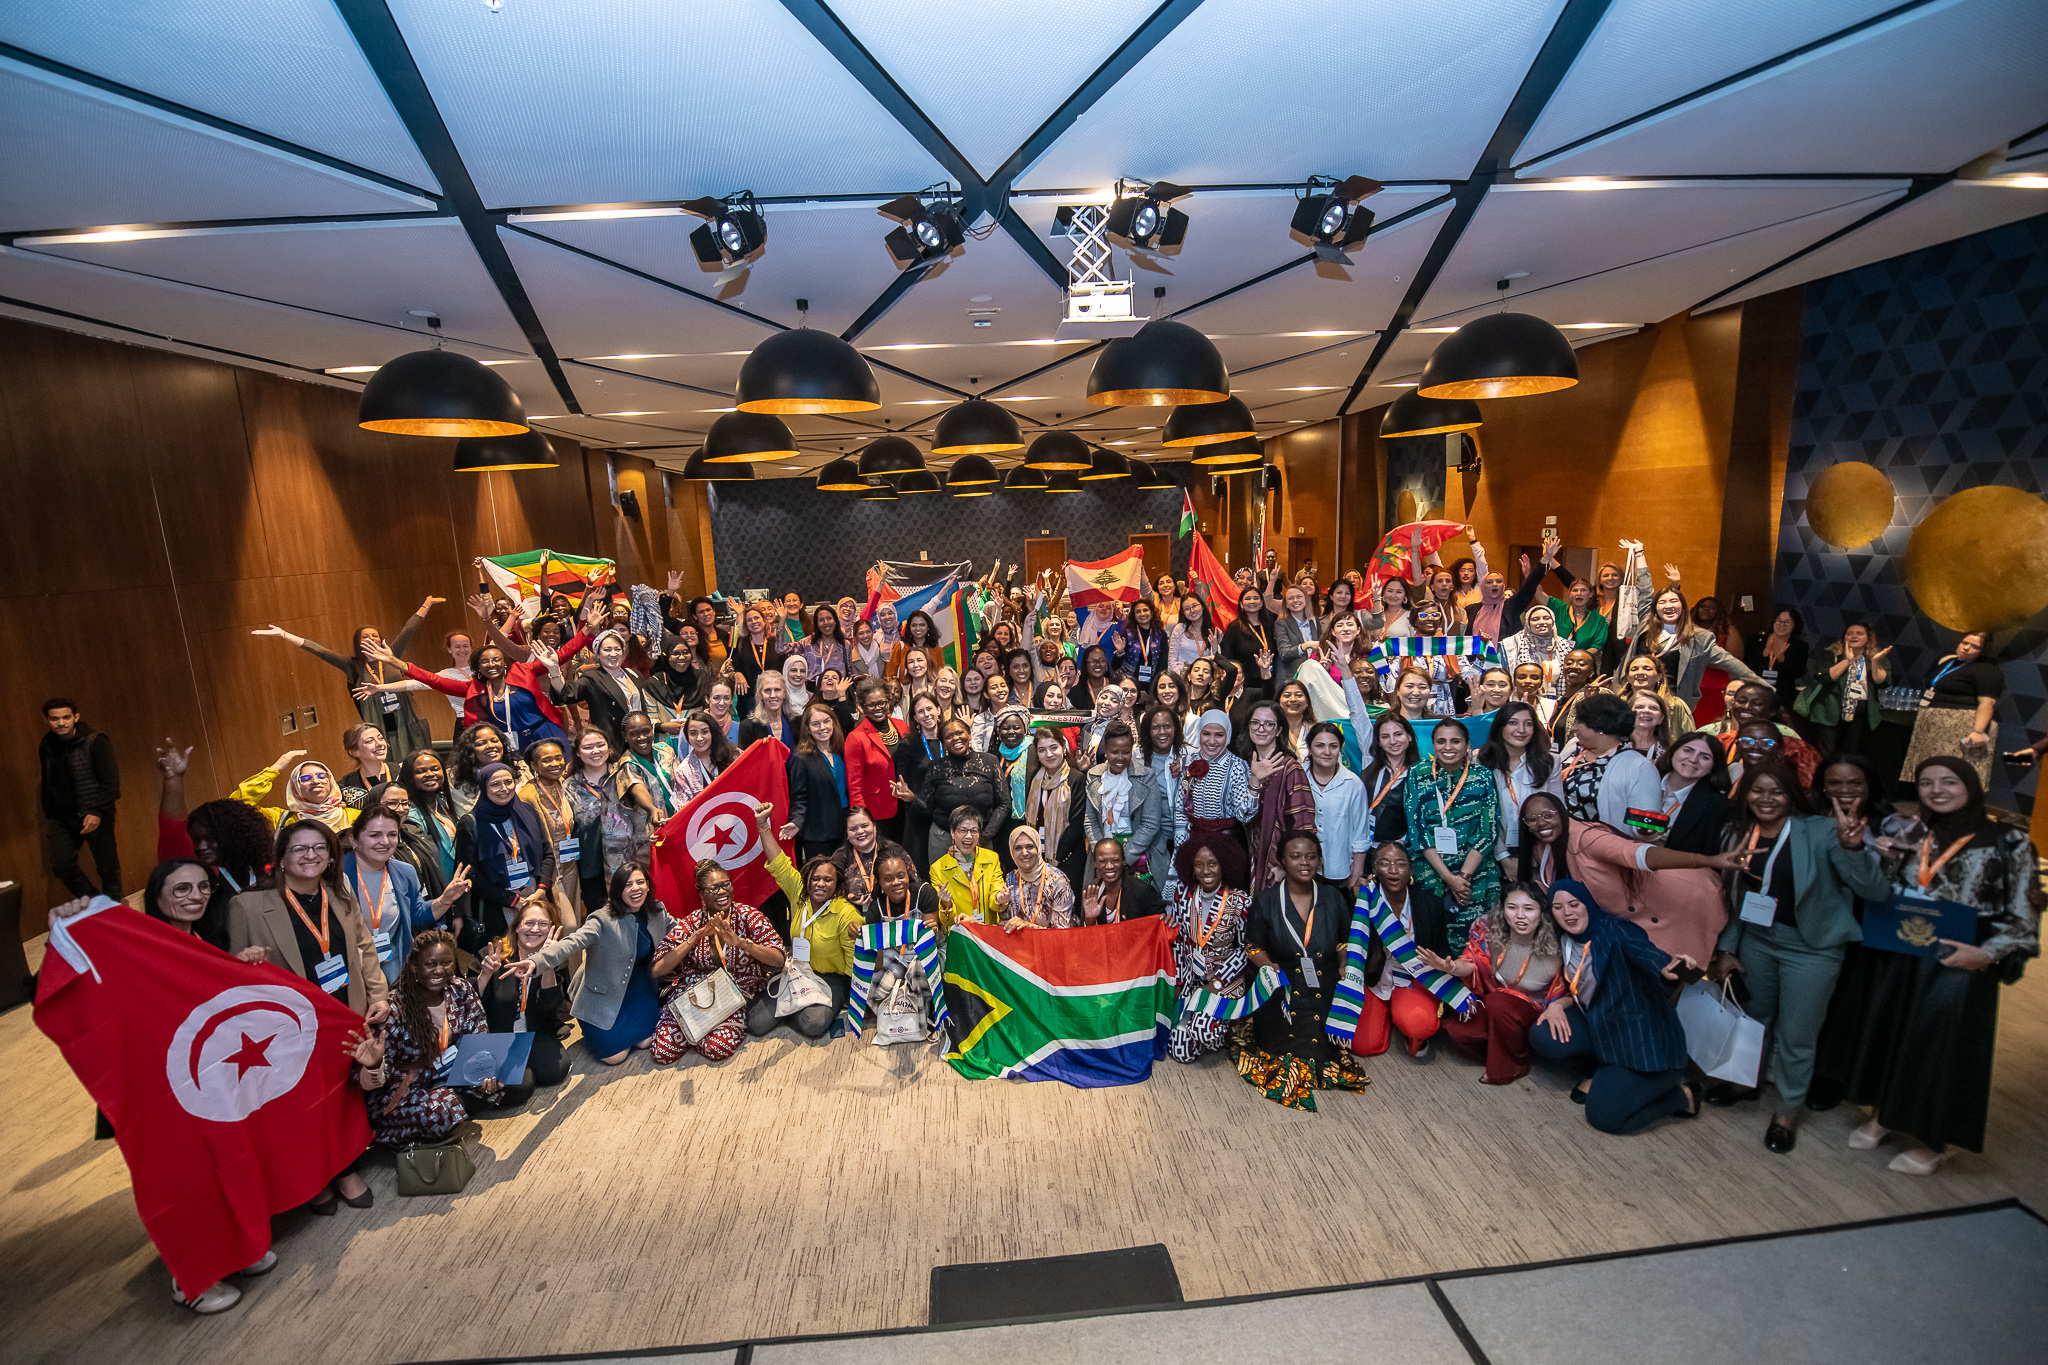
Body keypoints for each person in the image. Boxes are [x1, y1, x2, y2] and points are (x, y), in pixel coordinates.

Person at [1826, 758, 2041, 1173]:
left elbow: (2024, 914)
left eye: (1949, 782)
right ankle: (1886, 1115)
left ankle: (1934, 1139)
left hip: (1963, 953)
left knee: (1941, 1044)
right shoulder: (1909, 831)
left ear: (1971, 787)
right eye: (1926, 782)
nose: (1936, 790)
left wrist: (1989, 953)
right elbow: (1885, 889)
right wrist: (1872, 854)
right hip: (1904, 947)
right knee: (1893, 1030)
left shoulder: (2008, 841)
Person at [1703, 759, 1892, 1153]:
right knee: (1753, 1019)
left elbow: (1874, 892)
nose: (1766, 799)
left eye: (1777, 791)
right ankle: (1744, 1083)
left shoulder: (1822, 831)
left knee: (1797, 1035)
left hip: (1812, 948)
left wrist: (1853, 849)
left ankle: (1787, 1112)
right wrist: (1726, 949)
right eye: (1758, 790)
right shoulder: (1736, 833)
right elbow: (1735, 900)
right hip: (1757, 938)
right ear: (1746, 793)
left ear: (1793, 795)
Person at [226, 819, 386, 1210]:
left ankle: (344, 1167)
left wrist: (380, 994)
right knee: (302, 1102)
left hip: (343, 1013)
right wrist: (244, 962)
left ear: (332, 855)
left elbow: (363, 949)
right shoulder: (247, 905)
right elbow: (233, 974)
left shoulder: (340, 896)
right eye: (299, 849)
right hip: (288, 1027)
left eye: (320, 848)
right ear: (281, 858)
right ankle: (316, 1177)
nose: (311, 856)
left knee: (341, 1096)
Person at [1528, 879, 1703, 1133]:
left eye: (1574, 904)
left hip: (1642, 1041)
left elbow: (1646, 953)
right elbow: (1576, 985)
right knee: (1544, 1034)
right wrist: (1556, 1005)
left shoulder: (1616, 931)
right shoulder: (1566, 938)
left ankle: (1683, 1096)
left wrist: (1666, 970)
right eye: (1558, 907)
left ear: (1587, 903)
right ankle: (1602, 1070)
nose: (1567, 912)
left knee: (1604, 1118)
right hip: (1603, 1024)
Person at [1515, 791, 1741, 967]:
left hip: (1682, 901)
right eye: (1532, 819)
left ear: (1562, 812)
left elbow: (1641, 855)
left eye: (1548, 815)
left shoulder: (1587, 838)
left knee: (1678, 972)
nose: (1541, 823)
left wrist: (1709, 860)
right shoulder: (1541, 849)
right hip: (1635, 921)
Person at [1240, 831, 1372, 1110]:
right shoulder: (1265, 900)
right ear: (1283, 861)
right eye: (1296, 856)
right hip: (1282, 987)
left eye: (1311, 857)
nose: (1304, 862)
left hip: (1324, 985)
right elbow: (1252, 946)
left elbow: (1343, 940)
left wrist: (1344, 961)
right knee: (1279, 1052)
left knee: (1328, 1050)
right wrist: (1268, 965)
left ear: (1319, 861)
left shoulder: (1333, 897)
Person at [363, 929, 521, 1146]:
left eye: (446, 962)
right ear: (414, 966)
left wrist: (486, 1071)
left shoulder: (460, 989)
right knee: (442, 1110)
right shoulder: (394, 1008)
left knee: (512, 1080)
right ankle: (427, 1125)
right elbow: (374, 1073)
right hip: (409, 1089)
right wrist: (375, 1066)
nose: (439, 970)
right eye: (430, 964)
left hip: (455, 1074)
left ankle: (454, 1113)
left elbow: (478, 1035)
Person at [512, 861, 671, 1063]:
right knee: (616, 1057)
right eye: (627, 885)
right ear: (617, 890)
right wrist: (537, 961)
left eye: (640, 882)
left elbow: (680, 930)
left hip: (639, 990)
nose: (635, 889)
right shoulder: (601, 919)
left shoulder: (657, 910)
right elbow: (572, 942)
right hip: (602, 997)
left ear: (648, 885)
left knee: (646, 1042)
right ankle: (590, 1028)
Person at [249, 597, 445, 760]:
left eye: (375, 636)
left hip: (404, 718)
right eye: (366, 637)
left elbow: (408, 630)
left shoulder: (390, 655)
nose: (372, 639)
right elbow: (320, 651)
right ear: (358, 643)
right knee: (387, 760)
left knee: (415, 759)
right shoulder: (352, 666)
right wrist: (284, 634)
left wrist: (426, 604)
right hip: (378, 724)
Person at [1429, 882, 1562, 1084]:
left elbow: (1571, 989)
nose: (1520, 915)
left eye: (1528, 909)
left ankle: (1507, 1068)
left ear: (1542, 913)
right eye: (1512, 907)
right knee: (1458, 1031)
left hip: (1535, 1015)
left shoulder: (1559, 945)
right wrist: (1449, 967)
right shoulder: (1488, 931)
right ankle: (1512, 1050)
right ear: (1502, 911)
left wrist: (1559, 1006)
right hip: (1496, 1008)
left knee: (1498, 1002)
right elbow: (1471, 962)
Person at [1402, 717, 1501, 947]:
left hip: (1475, 878)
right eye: (1441, 741)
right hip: (1431, 876)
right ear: (1433, 745)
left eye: (1455, 741)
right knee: (1434, 946)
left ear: (1467, 745)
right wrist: (1449, 878)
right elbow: (1417, 831)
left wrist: (1463, 878)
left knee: (1476, 949)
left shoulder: (1483, 776)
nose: (1448, 747)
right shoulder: (1417, 774)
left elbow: (1489, 832)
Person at [344, 807, 469, 980]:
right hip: (352, 969)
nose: (385, 841)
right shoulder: (336, 874)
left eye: (392, 835)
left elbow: (417, 915)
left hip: (394, 968)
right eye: (375, 835)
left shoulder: (404, 872)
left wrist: (444, 900)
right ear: (354, 840)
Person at [1351, 841, 1447, 1060]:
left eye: (1400, 864)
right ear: (1374, 870)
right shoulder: (1364, 901)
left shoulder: (1429, 903)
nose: (1393, 870)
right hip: (1377, 978)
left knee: (1418, 1024)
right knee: (1363, 1046)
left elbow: (1442, 949)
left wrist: (1442, 966)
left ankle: (1409, 1027)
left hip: (1413, 979)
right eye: (1384, 864)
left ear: (1411, 870)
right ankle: (1389, 1015)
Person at [1164, 832, 1253, 1062]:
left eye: (1212, 864)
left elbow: (1245, 949)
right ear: (1191, 869)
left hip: (1223, 981)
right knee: (1180, 1052)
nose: (1206, 871)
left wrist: (1216, 983)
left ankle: (1217, 1030)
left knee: (1203, 1029)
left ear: (1223, 865)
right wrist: (1179, 983)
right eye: (1199, 865)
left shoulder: (1240, 901)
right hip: (1191, 979)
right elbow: (1181, 942)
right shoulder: (1182, 895)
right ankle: (1199, 1026)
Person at [758, 851, 861, 1039]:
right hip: (796, 969)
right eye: (815, 878)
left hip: (831, 977)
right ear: (807, 881)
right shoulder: (799, 897)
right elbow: (779, 864)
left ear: (836, 883)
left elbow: (854, 965)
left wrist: (852, 997)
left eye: (828, 880)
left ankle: (793, 1008)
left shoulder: (846, 913)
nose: (821, 884)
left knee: (813, 1025)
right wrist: (763, 827)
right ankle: (796, 1005)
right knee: (756, 1023)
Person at [454, 761, 555, 951]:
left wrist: (541, 890)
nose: (504, 789)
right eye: (495, 784)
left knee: (540, 954)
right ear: (484, 787)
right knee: (505, 959)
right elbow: (470, 874)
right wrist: (512, 900)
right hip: (497, 905)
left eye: (508, 782)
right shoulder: (470, 823)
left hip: (535, 897)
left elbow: (547, 853)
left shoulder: (527, 811)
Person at [475, 901, 571, 1090]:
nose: (535, 929)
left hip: (534, 1034)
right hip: (498, 1036)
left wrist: (547, 964)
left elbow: (550, 1009)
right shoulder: (493, 955)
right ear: (517, 926)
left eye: (543, 924)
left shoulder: (555, 959)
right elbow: (469, 1003)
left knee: (556, 1070)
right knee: (521, 1086)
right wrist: (485, 975)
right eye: (529, 923)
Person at [38, 698, 121, 898]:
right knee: (61, 863)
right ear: (47, 720)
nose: (61, 723)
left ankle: (116, 907)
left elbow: (111, 782)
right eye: (54, 719)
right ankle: (95, 901)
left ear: (76, 717)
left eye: (66, 717)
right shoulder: (47, 744)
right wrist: (50, 809)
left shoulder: (95, 741)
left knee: (107, 864)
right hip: (62, 816)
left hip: (94, 811)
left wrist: (95, 811)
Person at [1623, 588, 1761, 708]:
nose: (1668, 606)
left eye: (1673, 601)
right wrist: (1640, 557)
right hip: (1636, 699)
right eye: (1662, 602)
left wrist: (1762, 686)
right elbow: (1645, 591)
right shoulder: (1644, 630)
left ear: (1683, 607)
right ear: (1655, 608)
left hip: (1673, 704)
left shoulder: (1699, 637)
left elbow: (1731, 662)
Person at [1901, 630, 2001, 787]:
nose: (1966, 648)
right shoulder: (1947, 659)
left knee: (1949, 774)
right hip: (1933, 723)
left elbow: (1987, 703)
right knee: (1929, 772)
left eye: (1974, 646)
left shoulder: (1985, 669)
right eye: (1964, 643)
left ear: (1983, 651)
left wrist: (1978, 731)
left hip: (1959, 725)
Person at [1558, 692, 1665, 830]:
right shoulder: (1575, 750)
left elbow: (1651, 825)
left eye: (1579, 722)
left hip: (1603, 847)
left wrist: (1651, 828)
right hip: (1565, 843)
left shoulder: (1639, 767)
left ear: (1599, 725)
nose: (1574, 728)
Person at [1239, 701, 1315, 892]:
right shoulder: (1242, 764)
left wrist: (1285, 865)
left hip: (1275, 863)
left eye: (1269, 724)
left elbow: (1302, 823)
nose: (1261, 729)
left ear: (1279, 730)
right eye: (1255, 723)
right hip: (1243, 857)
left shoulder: (1290, 768)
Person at [911, 718, 1009, 867]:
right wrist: (911, 798)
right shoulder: (936, 767)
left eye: (959, 733)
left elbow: (1004, 803)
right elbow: (927, 808)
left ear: (969, 735)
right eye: (949, 736)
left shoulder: (989, 761)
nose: (955, 738)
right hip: (943, 840)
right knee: (943, 888)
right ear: (944, 743)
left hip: (980, 838)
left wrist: (983, 838)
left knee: (981, 887)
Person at [1082, 719, 1166, 887]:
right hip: (1103, 850)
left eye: (1126, 752)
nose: (1120, 758)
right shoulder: (1094, 775)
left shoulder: (1146, 776)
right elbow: (1090, 820)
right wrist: (1103, 856)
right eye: (1114, 752)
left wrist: (1123, 858)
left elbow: (1151, 823)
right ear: (1105, 751)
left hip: (1139, 852)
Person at [1178, 709, 1258, 860]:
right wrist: (1181, 845)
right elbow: (1179, 808)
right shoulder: (1187, 761)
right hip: (1192, 842)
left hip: (1226, 843)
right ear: (1199, 733)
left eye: (1219, 735)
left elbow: (1244, 814)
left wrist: (1255, 784)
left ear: (1228, 736)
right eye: (1206, 733)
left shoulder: (1237, 766)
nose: (1212, 741)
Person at [845, 678, 911, 847]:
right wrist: (861, 819)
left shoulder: (902, 727)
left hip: (907, 808)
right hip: (877, 813)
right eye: (871, 705)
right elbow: (854, 784)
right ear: (862, 707)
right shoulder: (856, 737)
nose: (878, 708)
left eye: (882, 702)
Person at [784, 701, 850, 863]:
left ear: (834, 723)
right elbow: (799, 797)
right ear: (808, 729)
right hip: (818, 834)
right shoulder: (802, 759)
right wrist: (796, 821)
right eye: (816, 724)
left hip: (845, 830)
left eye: (826, 721)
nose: (822, 727)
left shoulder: (842, 751)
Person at [928, 806, 1007, 929]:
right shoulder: (938, 868)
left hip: (987, 932)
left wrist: (1000, 899)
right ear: (953, 833)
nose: (969, 836)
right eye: (963, 831)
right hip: (961, 934)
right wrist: (946, 904)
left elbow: (995, 901)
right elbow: (946, 922)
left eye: (974, 831)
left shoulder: (991, 859)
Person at [1657, 731, 1734, 855]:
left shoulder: (1717, 806)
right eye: (1687, 750)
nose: (1693, 759)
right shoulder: (1643, 780)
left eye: (1705, 757)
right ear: (1673, 751)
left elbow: (1707, 856)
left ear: (1714, 766)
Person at [1001, 826, 1075, 930]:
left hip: (1049, 944)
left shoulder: (1057, 880)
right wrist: (1001, 904)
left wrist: (1029, 926)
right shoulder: (1011, 878)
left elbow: (1061, 931)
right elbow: (1006, 922)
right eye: (1018, 848)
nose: (1025, 853)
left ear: (1038, 848)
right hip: (1019, 944)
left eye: (1030, 846)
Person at [1221, 586, 1278, 718]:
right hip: (1244, 687)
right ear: (1241, 604)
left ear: (1262, 603)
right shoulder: (1234, 627)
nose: (1252, 601)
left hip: (1268, 683)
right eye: (1247, 598)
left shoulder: (1270, 625)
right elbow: (1227, 658)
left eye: (1256, 598)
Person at [1079, 837, 1165, 924]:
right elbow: (1086, 934)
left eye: (1115, 860)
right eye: (1102, 861)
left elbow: (1160, 928)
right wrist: (1090, 919)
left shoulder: (1142, 891)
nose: (1109, 866)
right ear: (1095, 863)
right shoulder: (1093, 890)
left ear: (1123, 860)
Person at [1363, 714, 1418, 849]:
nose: (1392, 741)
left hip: (1402, 851)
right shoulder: (1370, 770)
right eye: (1385, 737)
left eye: (1398, 734)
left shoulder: (1419, 773)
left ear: (1409, 736)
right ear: (1379, 742)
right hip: (1366, 849)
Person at [1745, 607, 1810, 719]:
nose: (1782, 625)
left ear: (1794, 625)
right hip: (1755, 690)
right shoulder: (1757, 639)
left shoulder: (1799, 646)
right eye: (1779, 621)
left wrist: (1781, 660)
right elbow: (1746, 665)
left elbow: (1798, 672)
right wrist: (1764, 654)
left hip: (1782, 695)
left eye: (1787, 622)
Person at [337, 723, 394, 809]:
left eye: (381, 738)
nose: (379, 744)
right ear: (354, 752)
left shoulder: (403, 771)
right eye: (369, 741)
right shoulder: (346, 786)